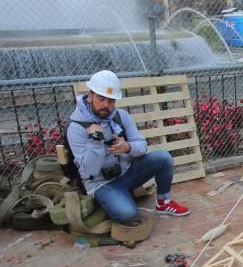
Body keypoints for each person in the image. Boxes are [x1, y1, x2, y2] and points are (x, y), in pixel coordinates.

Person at [67, 70, 190, 222]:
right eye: (101, 99)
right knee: (127, 214)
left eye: (111, 101)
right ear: (90, 96)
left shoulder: (121, 116)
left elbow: (142, 146)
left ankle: (163, 202)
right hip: (102, 183)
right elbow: (89, 170)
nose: (106, 105)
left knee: (164, 158)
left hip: (128, 173)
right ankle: (111, 199)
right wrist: (95, 140)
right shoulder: (76, 128)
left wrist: (128, 147)